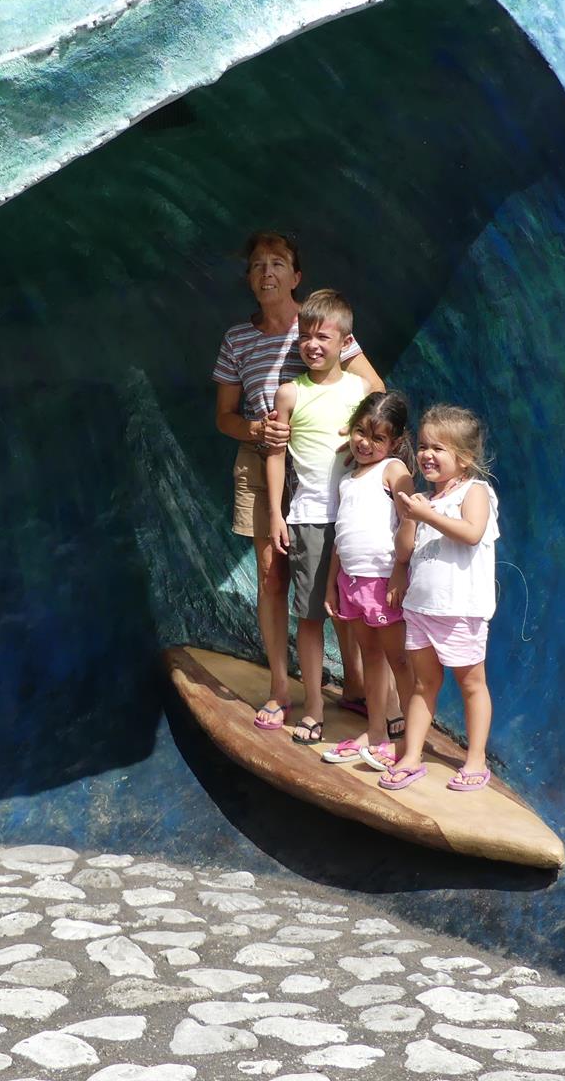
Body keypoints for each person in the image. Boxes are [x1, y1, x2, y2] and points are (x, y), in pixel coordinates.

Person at [212, 233, 380, 725]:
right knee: (271, 573)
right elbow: (224, 415)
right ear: (248, 278)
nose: (267, 272)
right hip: (262, 459)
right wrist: (254, 427)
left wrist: (351, 437)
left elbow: (374, 389)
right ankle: (281, 686)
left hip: (324, 464)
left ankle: (353, 682)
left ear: (296, 275)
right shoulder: (237, 340)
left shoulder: (319, 324)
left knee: (338, 568)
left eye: (278, 263)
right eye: (258, 265)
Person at [263, 289, 375, 744]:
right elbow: (274, 457)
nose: (313, 344)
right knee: (311, 617)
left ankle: (375, 706)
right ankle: (312, 705)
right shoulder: (289, 392)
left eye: (323, 337)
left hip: (356, 521)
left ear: (344, 341)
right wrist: (276, 514)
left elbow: (379, 440)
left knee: (364, 615)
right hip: (309, 518)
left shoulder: (361, 391)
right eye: (305, 336)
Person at [379, 405, 500, 793]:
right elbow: (405, 549)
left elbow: (471, 533)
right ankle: (412, 756)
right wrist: (410, 517)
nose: (427, 454)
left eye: (439, 449)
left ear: (463, 459)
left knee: (471, 685)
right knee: (421, 684)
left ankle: (476, 760)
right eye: (424, 446)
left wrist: (427, 515)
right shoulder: (423, 499)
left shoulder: (474, 491)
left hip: (460, 611)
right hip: (422, 610)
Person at [321, 391, 416, 770]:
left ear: (394, 443)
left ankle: (411, 739)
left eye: (378, 438)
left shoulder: (394, 470)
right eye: (361, 431)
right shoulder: (348, 479)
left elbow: (411, 519)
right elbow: (340, 541)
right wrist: (332, 583)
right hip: (352, 583)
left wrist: (400, 570)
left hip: (383, 584)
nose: (366, 442)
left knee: (399, 661)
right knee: (371, 657)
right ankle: (376, 732)